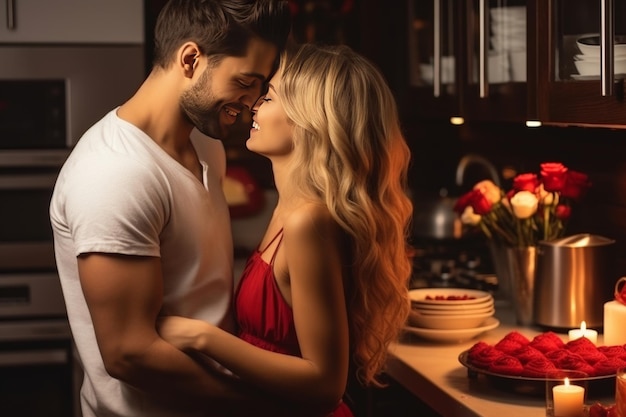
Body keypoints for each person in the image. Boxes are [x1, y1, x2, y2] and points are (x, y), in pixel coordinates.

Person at [49, 1, 293, 416]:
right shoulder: (114, 172)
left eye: (260, 86)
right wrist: (256, 407)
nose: (252, 102)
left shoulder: (206, 144)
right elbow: (130, 353)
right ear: (191, 59)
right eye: (245, 81)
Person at [157, 43, 414, 417]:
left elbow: (325, 384)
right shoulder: (289, 210)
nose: (255, 104)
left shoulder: (308, 223)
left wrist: (202, 336)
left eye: (271, 96)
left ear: (310, 121)